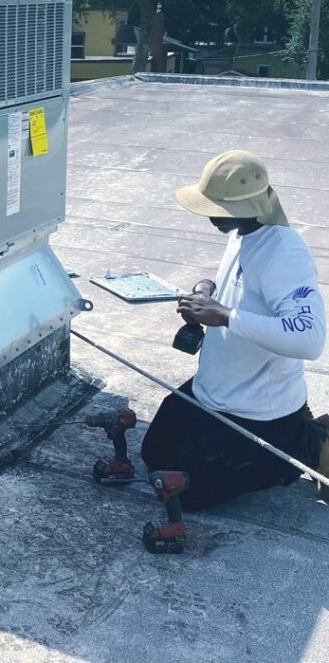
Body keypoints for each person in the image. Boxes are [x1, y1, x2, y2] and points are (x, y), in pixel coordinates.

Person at [140, 149, 329, 526]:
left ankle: (299, 446)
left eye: (218, 208)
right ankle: (288, 438)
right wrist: (209, 293)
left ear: (251, 204)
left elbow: (310, 339)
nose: (211, 216)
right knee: (153, 452)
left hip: (257, 408)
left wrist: (223, 316)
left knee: (188, 493)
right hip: (214, 389)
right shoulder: (242, 231)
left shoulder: (285, 251)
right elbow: (245, 295)